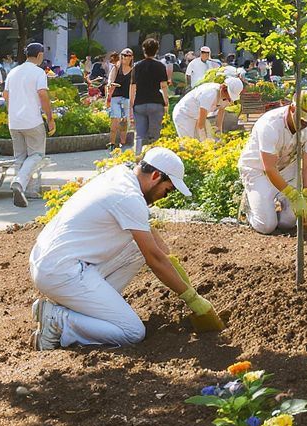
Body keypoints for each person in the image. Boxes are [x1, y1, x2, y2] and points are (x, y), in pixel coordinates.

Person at [29, 147, 215, 349]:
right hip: (61, 272)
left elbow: (159, 248)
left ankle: (75, 311)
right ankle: (59, 319)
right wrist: (192, 299)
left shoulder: (121, 175)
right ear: (155, 176)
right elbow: (155, 259)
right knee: (132, 332)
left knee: (138, 249)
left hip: (55, 262)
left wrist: (175, 268)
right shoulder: (129, 198)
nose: (165, 196)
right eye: (167, 190)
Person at [240, 92, 307, 235]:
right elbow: (270, 168)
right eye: (301, 120)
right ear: (292, 109)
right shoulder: (270, 125)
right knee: (266, 226)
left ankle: (271, 206)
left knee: (288, 222)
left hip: (286, 167)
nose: (304, 125)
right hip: (258, 170)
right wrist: (293, 195)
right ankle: (248, 208)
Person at [3, 43, 56, 207]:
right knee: (37, 155)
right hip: (32, 120)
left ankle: (27, 190)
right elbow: (42, 94)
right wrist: (50, 118)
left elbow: (6, 95)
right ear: (39, 55)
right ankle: (20, 182)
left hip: (15, 121)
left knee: (20, 157)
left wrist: (13, 110)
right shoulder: (38, 72)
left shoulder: (13, 71)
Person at [130, 38, 170, 157]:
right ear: (156, 50)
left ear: (144, 50)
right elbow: (163, 86)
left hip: (140, 103)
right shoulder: (160, 66)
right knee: (154, 135)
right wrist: (166, 101)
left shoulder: (137, 66)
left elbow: (133, 86)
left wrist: (132, 102)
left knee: (140, 135)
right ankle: (153, 160)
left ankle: (137, 158)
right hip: (156, 102)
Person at [174, 76, 244, 142]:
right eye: (229, 96)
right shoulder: (210, 93)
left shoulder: (226, 98)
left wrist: (219, 134)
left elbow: (220, 115)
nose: (228, 99)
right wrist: (204, 141)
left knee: (210, 138)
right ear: (223, 88)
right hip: (184, 115)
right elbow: (201, 124)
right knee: (189, 143)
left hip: (196, 116)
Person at [106, 49, 135, 150]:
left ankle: (123, 142)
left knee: (124, 121)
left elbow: (134, 86)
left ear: (131, 57)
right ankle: (112, 143)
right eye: (123, 55)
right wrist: (110, 84)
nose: (125, 57)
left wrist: (132, 100)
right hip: (116, 96)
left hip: (127, 97)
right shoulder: (116, 67)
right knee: (115, 119)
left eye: (128, 56)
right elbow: (110, 78)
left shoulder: (133, 70)